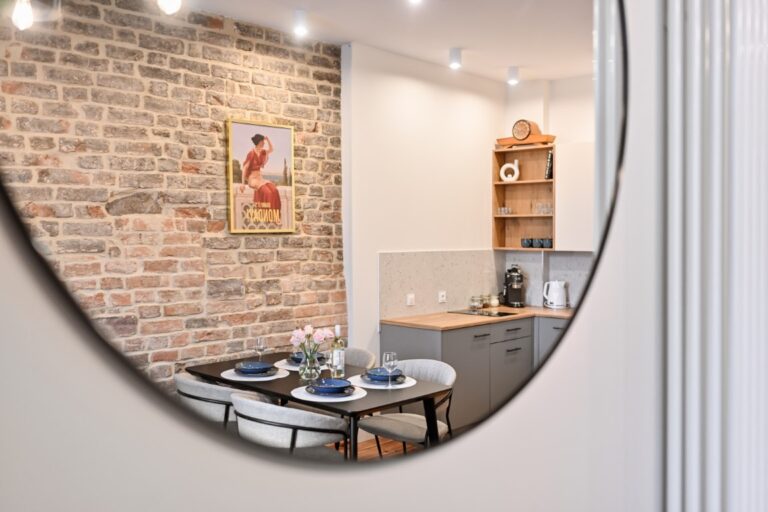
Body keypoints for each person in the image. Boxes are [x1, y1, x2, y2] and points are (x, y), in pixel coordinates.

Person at [240, 133, 281, 211]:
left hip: (259, 177)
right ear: (259, 142)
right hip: (252, 178)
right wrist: (242, 184)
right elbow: (245, 168)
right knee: (268, 192)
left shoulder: (262, 152)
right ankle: (267, 213)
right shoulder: (251, 153)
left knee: (274, 190)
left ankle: (275, 214)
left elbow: (271, 149)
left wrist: (268, 140)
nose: (264, 143)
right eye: (263, 141)